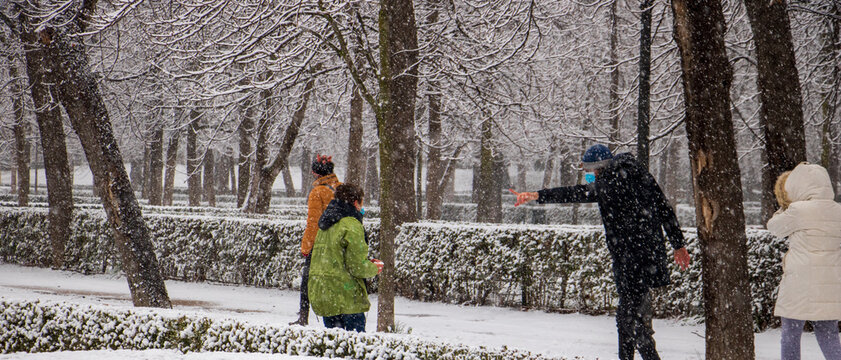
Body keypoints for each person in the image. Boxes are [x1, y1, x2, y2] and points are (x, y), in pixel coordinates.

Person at [511, 144, 691, 360]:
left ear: (600, 167)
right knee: (635, 320)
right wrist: (677, 244)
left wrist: (536, 195)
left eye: (592, 170)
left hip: (630, 258)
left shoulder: (611, 182)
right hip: (647, 255)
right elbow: (664, 206)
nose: (592, 175)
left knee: (628, 320)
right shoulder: (639, 174)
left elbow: (577, 193)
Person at [768, 163, 841, 360]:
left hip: (799, 282)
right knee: (828, 333)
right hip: (829, 282)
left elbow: (774, 228)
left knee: (791, 333)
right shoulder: (838, 211)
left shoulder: (798, 210)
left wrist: (784, 207)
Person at [308, 183, 383, 332]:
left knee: (335, 345)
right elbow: (356, 266)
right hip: (347, 296)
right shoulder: (351, 225)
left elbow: (333, 258)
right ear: (356, 203)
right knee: (355, 346)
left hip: (325, 294)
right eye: (361, 202)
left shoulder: (326, 223)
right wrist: (374, 267)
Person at [290, 154, 342, 326]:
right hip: (340, 243)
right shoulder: (343, 189)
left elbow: (313, 223)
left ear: (317, 174)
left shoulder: (317, 192)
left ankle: (303, 316)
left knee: (308, 278)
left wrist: (306, 247)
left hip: (321, 244)